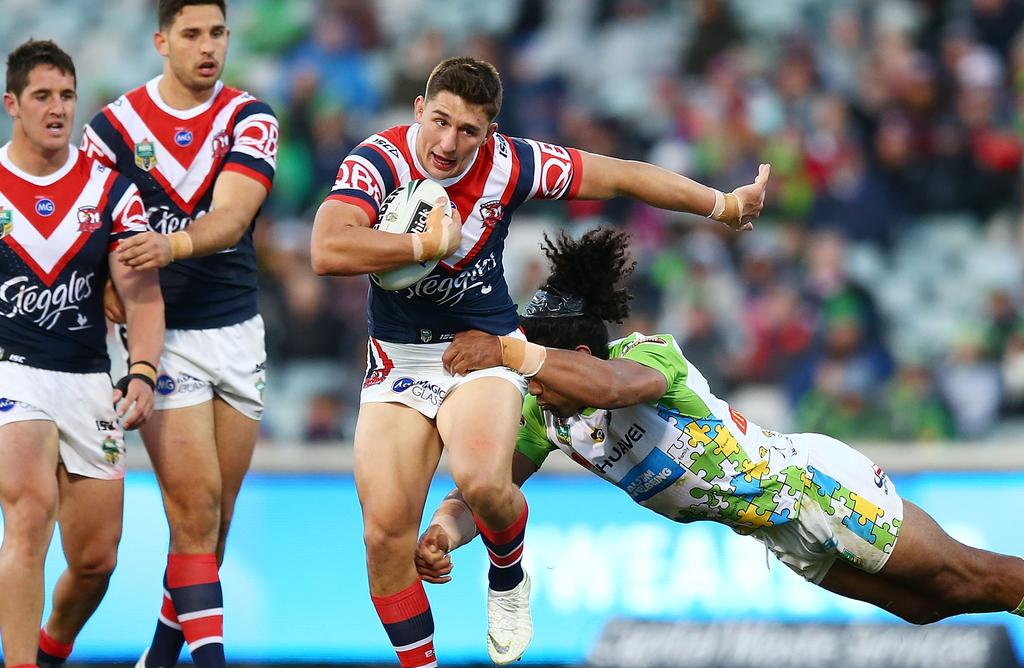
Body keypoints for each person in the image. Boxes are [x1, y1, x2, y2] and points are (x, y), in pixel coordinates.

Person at [310, 55, 770, 668]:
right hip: (397, 364)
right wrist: (420, 241)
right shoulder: (377, 163)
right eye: (440, 121)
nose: (448, 142)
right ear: (418, 109)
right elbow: (326, 248)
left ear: (490, 132)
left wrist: (722, 205)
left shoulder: (514, 164)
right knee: (384, 535)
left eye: (469, 130)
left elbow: (622, 175)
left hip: (483, 348)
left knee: (482, 481)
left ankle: (507, 573)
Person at [416, 227, 1024, 642]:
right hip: (776, 531)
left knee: (973, 576)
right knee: (923, 608)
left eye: (535, 365)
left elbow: (612, 389)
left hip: (819, 490)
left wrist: (505, 350)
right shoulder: (544, 417)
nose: (529, 383)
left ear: (576, 353)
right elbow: (481, 491)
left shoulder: (651, 357)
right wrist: (444, 531)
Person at [79, 0, 277, 668]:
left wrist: (171, 244)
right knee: (192, 513)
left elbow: (231, 218)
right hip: (162, 337)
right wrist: (103, 282)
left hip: (237, 333)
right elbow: (89, 225)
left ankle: (158, 657)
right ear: (162, 40)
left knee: (214, 523)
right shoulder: (114, 130)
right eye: (192, 34)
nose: (207, 47)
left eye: (218, 33)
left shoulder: (250, 118)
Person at [0, 40, 164, 668]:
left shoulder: (110, 191)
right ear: (12, 105)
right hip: (13, 375)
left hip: (87, 379)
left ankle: (51, 655)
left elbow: (143, 293)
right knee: (29, 513)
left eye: (66, 96)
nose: (57, 109)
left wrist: (144, 372)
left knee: (97, 557)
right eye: (42, 96)